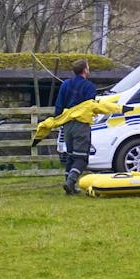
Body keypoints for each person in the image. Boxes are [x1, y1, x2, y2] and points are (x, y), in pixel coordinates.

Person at [54, 59, 96, 195]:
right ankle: (70, 181)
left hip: (67, 124)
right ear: (85, 70)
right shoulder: (89, 86)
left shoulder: (65, 84)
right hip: (81, 124)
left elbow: (59, 104)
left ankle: (69, 187)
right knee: (81, 158)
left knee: (71, 155)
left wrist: (57, 120)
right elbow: (92, 106)